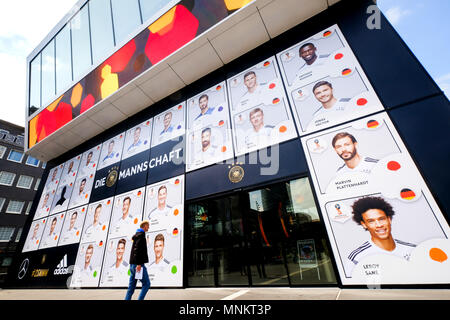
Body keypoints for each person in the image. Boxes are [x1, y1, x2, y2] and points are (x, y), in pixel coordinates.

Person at [346, 196, 416, 276]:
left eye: (381, 219)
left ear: (389, 219)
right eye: (371, 221)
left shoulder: (412, 250)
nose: (379, 225)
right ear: (364, 224)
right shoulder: (356, 258)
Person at [125, 221, 151, 300]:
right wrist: (139, 264)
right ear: (145, 226)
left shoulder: (136, 236)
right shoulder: (141, 236)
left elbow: (135, 251)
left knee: (131, 288)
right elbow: (137, 250)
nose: (149, 228)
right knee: (146, 284)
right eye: (148, 226)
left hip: (132, 265)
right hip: (138, 265)